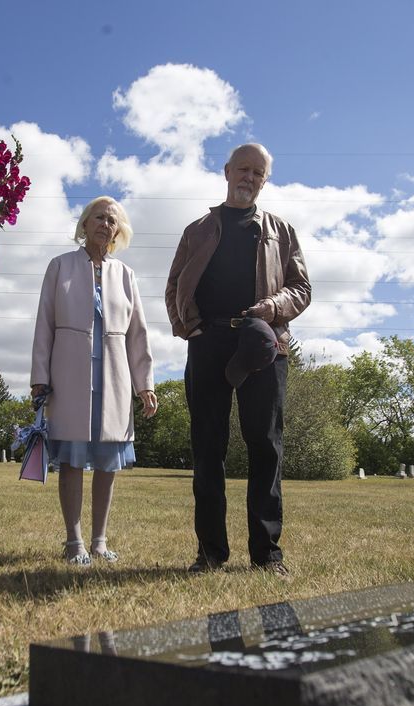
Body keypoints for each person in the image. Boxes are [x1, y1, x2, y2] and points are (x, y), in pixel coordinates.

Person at [165, 144, 311, 577]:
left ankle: (267, 555)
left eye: (258, 173)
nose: (249, 177)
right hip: (207, 341)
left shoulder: (281, 231)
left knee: (266, 446)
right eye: (243, 169)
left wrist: (273, 306)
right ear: (227, 171)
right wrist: (184, 326)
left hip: (263, 345)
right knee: (208, 450)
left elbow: (302, 288)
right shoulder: (198, 229)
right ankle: (210, 553)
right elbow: (173, 284)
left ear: (265, 180)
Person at [31, 197, 158, 565]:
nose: (105, 224)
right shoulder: (60, 266)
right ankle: (74, 541)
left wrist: (144, 383)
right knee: (71, 460)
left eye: (112, 220)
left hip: (115, 376)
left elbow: (138, 333)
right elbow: (44, 324)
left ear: (119, 231)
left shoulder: (126, 275)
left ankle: (100, 540)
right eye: (99, 217)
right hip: (68, 375)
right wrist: (40, 377)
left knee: (108, 462)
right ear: (84, 224)